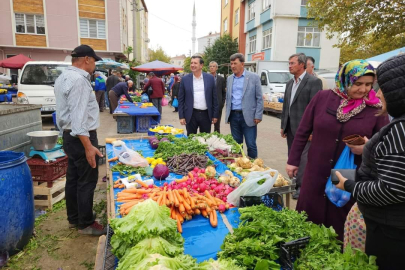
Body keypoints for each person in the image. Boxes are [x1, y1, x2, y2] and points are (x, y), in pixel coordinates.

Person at [285, 59, 389, 241]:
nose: (363, 90)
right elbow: (302, 131)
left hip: (346, 173)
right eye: (358, 84)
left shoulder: (376, 109)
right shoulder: (323, 98)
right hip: (316, 168)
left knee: (337, 217)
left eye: (368, 84)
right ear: (346, 80)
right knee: (309, 216)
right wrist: (293, 160)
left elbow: (384, 145)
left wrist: (367, 148)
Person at [335, 55, 405, 270]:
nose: (377, 93)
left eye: (380, 87)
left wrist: (349, 185)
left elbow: (392, 189)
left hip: (391, 231)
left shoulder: (399, 130)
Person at [54, 45, 105, 235]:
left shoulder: (63, 77)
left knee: (73, 178)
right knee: (87, 179)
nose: (94, 67)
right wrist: (89, 146)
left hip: (69, 135)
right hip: (81, 136)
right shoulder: (79, 80)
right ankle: (86, 223)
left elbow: (62, 112)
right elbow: (78, 119)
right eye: (94, 62)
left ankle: (74, 218)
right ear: (87, 60)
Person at [281, 53, 323, 199]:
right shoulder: (289, 83)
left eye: (292, 63)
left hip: (305, 129)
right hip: (291, 128)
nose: (289, 66)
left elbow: (316, 108)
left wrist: (313, 129)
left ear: (302, 64)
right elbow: (286, 106)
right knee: (292, 156)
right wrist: (283, 125)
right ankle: (294, 181)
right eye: (289, 63)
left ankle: (301, 187)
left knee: (304, 158)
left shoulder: (313, 82)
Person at [224, 53, 263, 158]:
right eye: (231, 64)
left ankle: (254, 166)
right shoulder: (229, 79)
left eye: (235, 63)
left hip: (249, 117)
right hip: (234, 116)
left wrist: (258, 115)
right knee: (237, 144)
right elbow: (228, 98)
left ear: (242, 64)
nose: (232, 66)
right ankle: (239, 166)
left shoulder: (253, 77)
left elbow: (259, 98)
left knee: (251, 144)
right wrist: (227, 114)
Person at [178, 55, 218, 135]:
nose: (192, 65)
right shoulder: (185, 79)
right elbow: (181, 99)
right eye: (191, 63)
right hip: (191, 114)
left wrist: (215, 115)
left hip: (206, 115)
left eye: (195, 63)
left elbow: (214, 98)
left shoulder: (210, 78)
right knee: (191, 140)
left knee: (205, 139)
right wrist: (181, 116)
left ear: (201, 65)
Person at [209, 61, 226, 133]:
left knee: (217, 126)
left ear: (217, 68)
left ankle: (216, 141)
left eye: (213, 66)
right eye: (210, 66)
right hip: (208, 105)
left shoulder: (221, 79)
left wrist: (222, 103)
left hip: (218, 105)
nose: (212, 68)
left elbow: (223, 92)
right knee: (206, 125)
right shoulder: (205, 78)